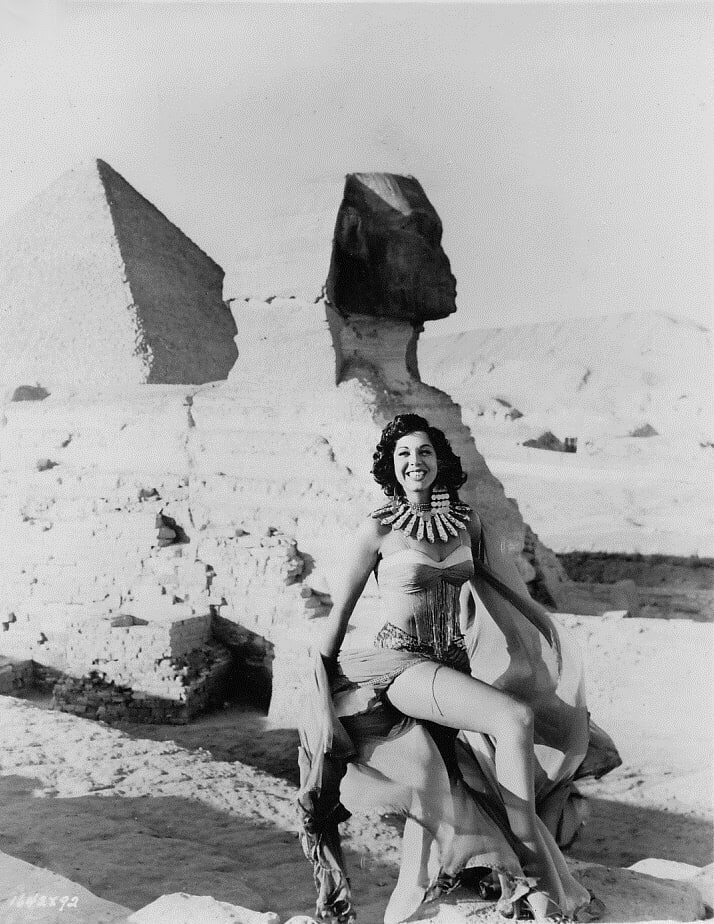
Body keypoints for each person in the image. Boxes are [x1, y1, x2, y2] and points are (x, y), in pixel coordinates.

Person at [298, 414, 614, 924]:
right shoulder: (377, 529)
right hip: (402, 664)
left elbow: (512, 596)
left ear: (439, 461)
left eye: (424, 452)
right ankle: (535, 872)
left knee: (480, 776)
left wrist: (549, 658)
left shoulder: (467, 523)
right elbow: (338, 618)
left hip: (454, 666)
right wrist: (319, 693)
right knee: (512, 719)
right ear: (390, 466)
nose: (414, 462)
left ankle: (467, 878)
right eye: (403, 454)